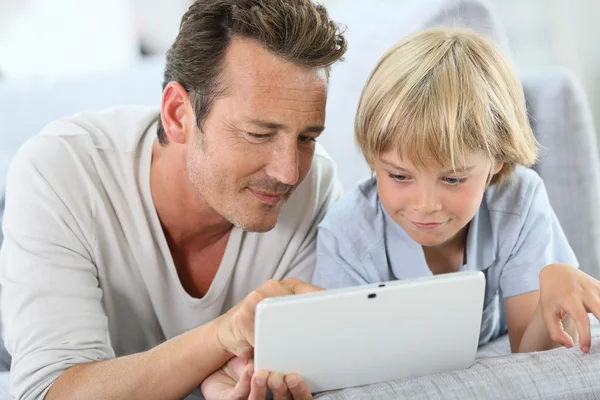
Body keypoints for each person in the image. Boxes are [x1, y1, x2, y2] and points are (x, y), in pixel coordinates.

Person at [0, 0, 346, 399]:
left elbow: (284, 369)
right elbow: (49, 392)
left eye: (307, 138)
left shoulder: (316, 188)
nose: (289, 173)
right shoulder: (61, 170)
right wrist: (221, 336)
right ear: (179, 113)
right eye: (258, 134)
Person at [313, 27, 600, 354]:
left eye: (452, 179)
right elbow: (343, 362)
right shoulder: (346, 235)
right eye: (398, 176)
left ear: (497, 159)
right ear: (373, 161)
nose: (425, 205)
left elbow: (531, 359)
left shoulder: (519, 201)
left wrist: (555, 300)